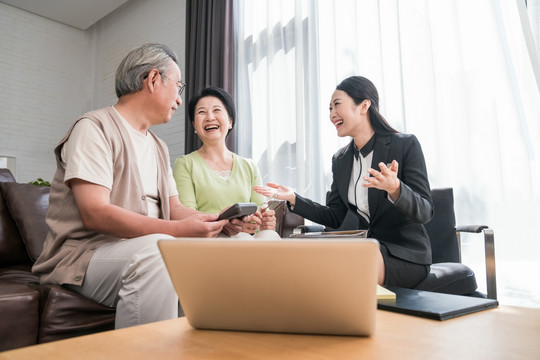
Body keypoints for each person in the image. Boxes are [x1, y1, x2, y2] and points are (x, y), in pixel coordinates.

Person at [32, 43, 229, 329]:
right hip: (83, 257)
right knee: (160, 250)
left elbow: (173, 208)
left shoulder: (159, 147)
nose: (179, 99)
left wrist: (217, 221)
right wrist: (175, 231)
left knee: (221, 250)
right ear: (152, 80)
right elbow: (95, 213)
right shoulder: (93, 127)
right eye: (179, 86)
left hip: (141, 249)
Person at [254, 76, 433, 288]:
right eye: (329, 109)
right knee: (311, 265)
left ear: (364, 105)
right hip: (367, 247)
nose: (331, 115)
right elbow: (336, 216)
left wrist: (396, 189)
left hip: (405, 253)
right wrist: (294, 198)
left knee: (350, 267)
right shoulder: (341, 160)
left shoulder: (404, 145)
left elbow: (425, 211)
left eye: (337, 105)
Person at [173, 86, 279, 238]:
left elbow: (259, 213)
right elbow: (187, 216)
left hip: (246, 240)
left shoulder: (249, 166)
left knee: (270, 235)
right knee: (242, 239)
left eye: (216, 110)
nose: (210, 117)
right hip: (208, 241)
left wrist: (265, 222)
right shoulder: (185, 164)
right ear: (194, 125)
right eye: (202, 112)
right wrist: (224, 224)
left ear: (230, 121)